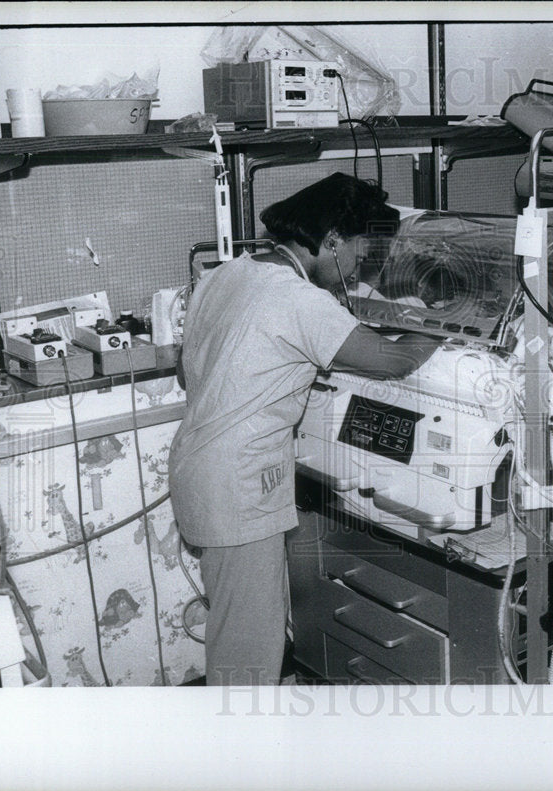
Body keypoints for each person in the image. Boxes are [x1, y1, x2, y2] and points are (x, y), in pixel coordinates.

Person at [169, 173, 440, 687]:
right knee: (251, 644)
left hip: (198, 466)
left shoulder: (226, 274)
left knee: (236, 624)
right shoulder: (297, 299)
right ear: (332, 239)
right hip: (240, 484)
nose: (355, 274)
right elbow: (391, 360)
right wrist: (450, 323)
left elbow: (192, 369)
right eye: (359, 257)